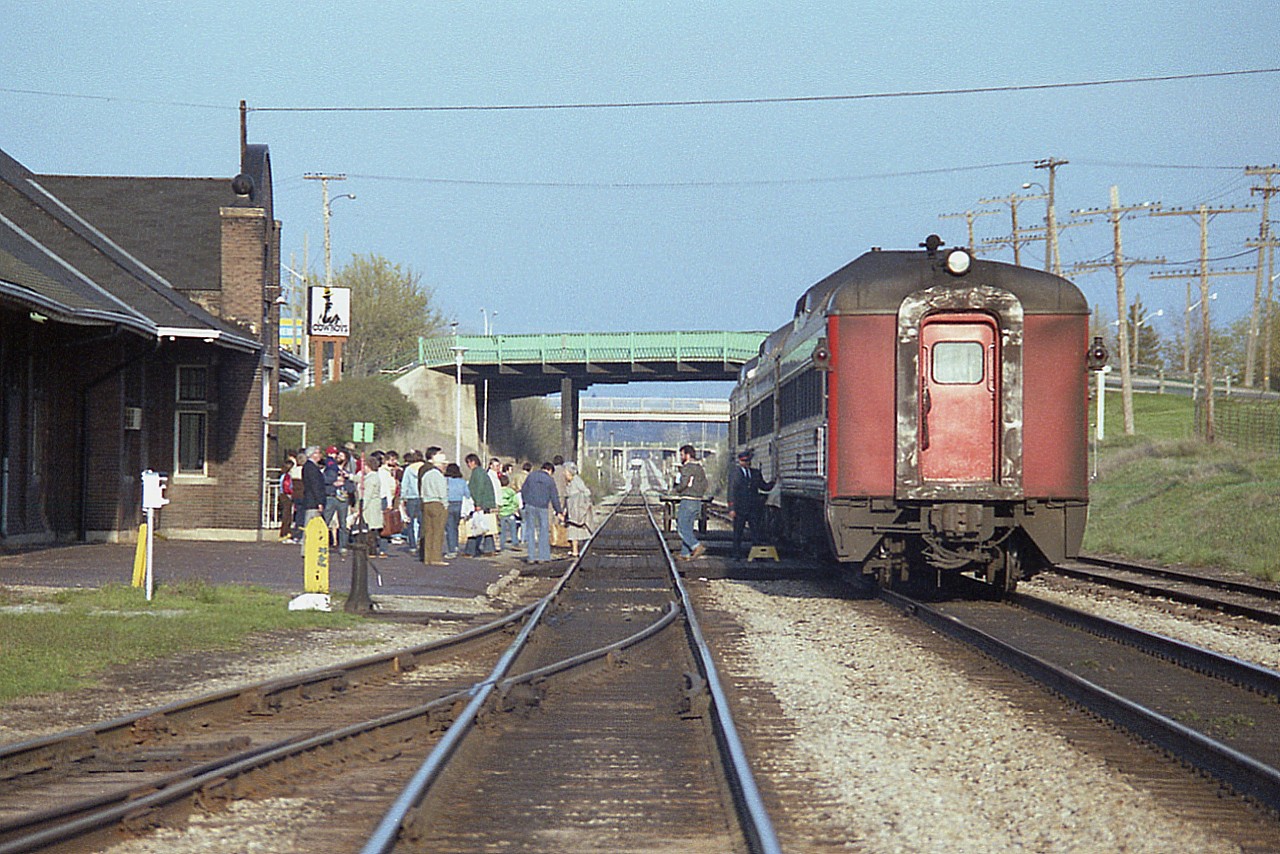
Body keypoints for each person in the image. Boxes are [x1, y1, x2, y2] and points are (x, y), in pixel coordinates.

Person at [728, 448, 773, 560]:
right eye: (744, 461)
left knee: (755, 532)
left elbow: (763, 486)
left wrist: (773, 483)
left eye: (748, 461)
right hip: (740, 508)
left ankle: (757, 554)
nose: (746, 463)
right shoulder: (735, 474)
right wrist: (731, 508)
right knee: (738, 532)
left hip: (753, 507)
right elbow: (731, 491)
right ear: (740, 461)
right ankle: (736, 554)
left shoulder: (756, 473)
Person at [520, 462, 562, 564]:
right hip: (543, 507)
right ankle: (543, 557)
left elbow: (523, 490)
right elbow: (554, 496)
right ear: (550, 470)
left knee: (530, 530)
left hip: (530, 505)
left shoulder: (531, 476)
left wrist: (526, 502)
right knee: (543, 531)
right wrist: (558, 511)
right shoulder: (550, 480)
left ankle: (531, 557)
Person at [673, 444, 708, 560]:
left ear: (687, 455)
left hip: (688, 500)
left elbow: (683, 484)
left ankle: (696, 546)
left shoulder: (687, 468)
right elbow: (705, 485)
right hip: (697, 501)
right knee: (688, 528)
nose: (681, 457)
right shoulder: (700, 468)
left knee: (681, 528)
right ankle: (685, 554)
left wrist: (676, 489)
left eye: (682, 455)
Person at [419, 447, 449, 566]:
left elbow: (422, 490)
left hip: (426, 503)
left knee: (428, 531)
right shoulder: (439, 476)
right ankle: (436, 558)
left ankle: (427, 558)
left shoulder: (426, 475)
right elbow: (443, 492)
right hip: (437, 503)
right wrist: (445, 505)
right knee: (438, 532)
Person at [464, 453, 497, 556]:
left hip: (481, 503)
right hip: (486, 502)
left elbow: (479, 488)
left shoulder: (477, 473)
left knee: (474, 526)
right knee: (487, 527)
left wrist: (478, 503)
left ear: (473, 462)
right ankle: (489, 549)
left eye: (468, 462)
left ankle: (471, 550)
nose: (468, 465)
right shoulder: (481, 472)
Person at [356, 451, 385, 557]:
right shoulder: (371, 476)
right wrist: (349, 476)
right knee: (371, 530)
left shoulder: (371, 478)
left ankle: (371, 551)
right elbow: (361, 479)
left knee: (370, 530)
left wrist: (360, 509)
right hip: (373, 507)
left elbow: (367, 496)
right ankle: (371, 550)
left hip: (371, 508)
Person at [299, 445, 327, 555]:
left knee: (312, 526)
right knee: (311, 525)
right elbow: (315, 486)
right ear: (313, 454)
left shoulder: (310, 467)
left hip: (311, 500)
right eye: (318, 453)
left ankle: (309, 548)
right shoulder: (311, 468)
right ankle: (306, 550)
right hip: (312, 502)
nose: (320, 455)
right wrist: (319, 502)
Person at [563, 462, 593, 558]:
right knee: (573, 531)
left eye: (566, 472)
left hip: (577, 511)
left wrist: (581, 502)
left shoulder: (577, 481)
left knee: (576, 529)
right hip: (572, 511)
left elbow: (586, 492)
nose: (564, 474)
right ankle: (575, 550)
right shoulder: (570, 482)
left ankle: (578, 550)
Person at [444, 462, 470, 559]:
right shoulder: (462, 481)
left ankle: (451, 550)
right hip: (460, 505)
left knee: (449, 528)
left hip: (448, 504)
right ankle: (455, 546)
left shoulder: (445, 480)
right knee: (456, 526)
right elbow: (467, 494)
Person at [400, 450, 424, 554]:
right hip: (423, 497)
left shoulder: (409, 469)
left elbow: (405, 484)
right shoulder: (425, 468)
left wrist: (402, 497)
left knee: (410, 522)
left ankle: (412, 545)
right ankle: (421, 540)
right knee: (422, 521)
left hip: (411, 497)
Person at [497, 474, 521, 552]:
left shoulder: (498, 491)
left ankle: (501, 544)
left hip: (501, 513)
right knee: (513, 529)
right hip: (510, 512)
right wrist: (515, 509)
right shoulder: (511, 491)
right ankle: (515, 543)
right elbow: (515, 501)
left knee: (502, 530)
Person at [278, 452, 297, 543]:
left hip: (283, 495)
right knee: (287, 515)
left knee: (286, 515)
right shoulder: (287, 476)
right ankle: (285, 533)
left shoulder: (282, 475)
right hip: (286, 496)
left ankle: (285, 533)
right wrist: (291, 493)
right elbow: (287, 487)